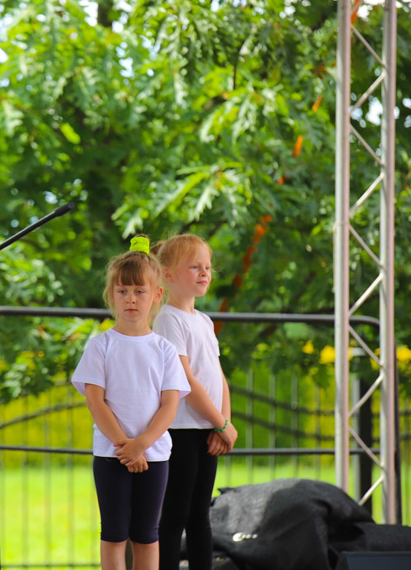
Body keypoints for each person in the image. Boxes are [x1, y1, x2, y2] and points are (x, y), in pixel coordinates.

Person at [71, 235, 190, 570]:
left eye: (139, 291)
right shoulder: (100, 346)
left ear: (157, 295)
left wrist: (142, 445)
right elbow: (95, 401)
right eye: (122, 291)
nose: (131, 299)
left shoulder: (164, 350)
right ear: (112, 296)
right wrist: (126, 446)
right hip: (112, 456)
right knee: (113, 534)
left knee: (147, 535)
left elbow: (169, 406)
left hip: (154, 456)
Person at [153, 234, 238, 570]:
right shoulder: (168, 319)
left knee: (201, 515)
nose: (204, 273)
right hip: (183, 429)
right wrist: (218, 422)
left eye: (207, 267)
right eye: (194, 267)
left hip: (208, 428)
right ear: (168, 274)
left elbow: (217, 375)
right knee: (176, 514)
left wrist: (224, 423)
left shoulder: (202, 320)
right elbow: (186, 381)